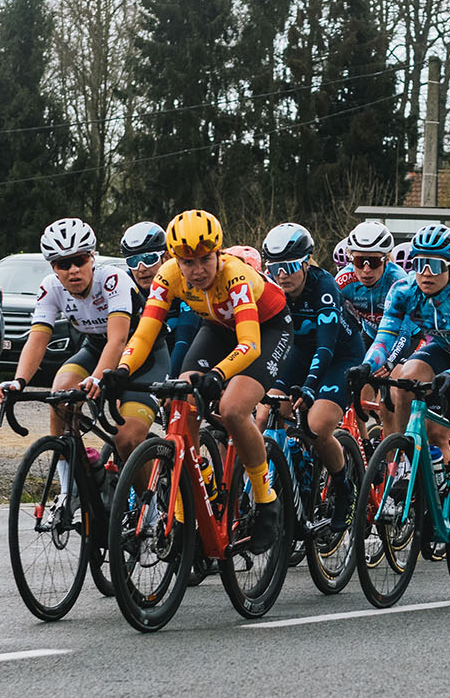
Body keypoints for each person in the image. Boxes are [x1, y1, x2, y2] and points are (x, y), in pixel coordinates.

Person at [106, 210, 293, 551]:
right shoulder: (168, 276)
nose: (197, 270)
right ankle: (183, 511)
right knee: (180, 400)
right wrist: (122, 370)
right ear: (175, 259)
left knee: (233, 408)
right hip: (219, 329)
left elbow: (249, 345)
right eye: (187, 262)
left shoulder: (234, 276)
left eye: (205, 259)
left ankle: (267, 501)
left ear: (218, 253)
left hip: (266, 330)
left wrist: (218, 374)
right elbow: (146, 333)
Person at [346, 223, 450, 568]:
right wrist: (367, 366)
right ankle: (408, 459)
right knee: (401, 379)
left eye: (434, 265)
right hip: (444, 348)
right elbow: (385, 337)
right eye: (419, 262)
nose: (425, 272)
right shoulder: (404, 290)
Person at [0, 219, 153, 460]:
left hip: (142, 356)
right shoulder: (51, 288)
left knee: (127, 439)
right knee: (60, 398)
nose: (73, 270)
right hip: (95, 349)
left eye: (80, 260)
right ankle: (71, 484)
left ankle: (148, 498)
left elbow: (118, 341)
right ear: (53, 267)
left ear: (92, 258)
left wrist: (97, 377)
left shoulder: (113, 280)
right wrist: (18, 381)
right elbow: (37, 340)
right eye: (63, 264)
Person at [261, 222, 364, 530]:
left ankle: (344, 488)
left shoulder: (324, 288)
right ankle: (278, 488)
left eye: (290, 266)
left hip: (339, 355)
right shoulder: (271, 289)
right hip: (299, 352)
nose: (282, 274)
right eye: (274, 267)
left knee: (316, 427)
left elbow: (326, 347)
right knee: (264, 414)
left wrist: (308, 388)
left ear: (306, 263)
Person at [336, 220, 412, 407]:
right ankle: (362, 436)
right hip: (370, 334)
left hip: (405, 336)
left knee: (390, 388)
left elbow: (406, 331)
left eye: (374, 261)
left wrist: (391, 362)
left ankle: (393, 432)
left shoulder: (399, 281)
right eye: (360, 262)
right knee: (356, 379)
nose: (366, 270)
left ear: (386, 259)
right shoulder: (344, 281)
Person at [120, 221, 198, 378]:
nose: (141, 268)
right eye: (133, 261)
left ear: (166, 257)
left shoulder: (184, 280)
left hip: (187, 345)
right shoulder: (126, 285)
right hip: (148, 350)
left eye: (149, 258)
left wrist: (170, 382)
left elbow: (184, 339)